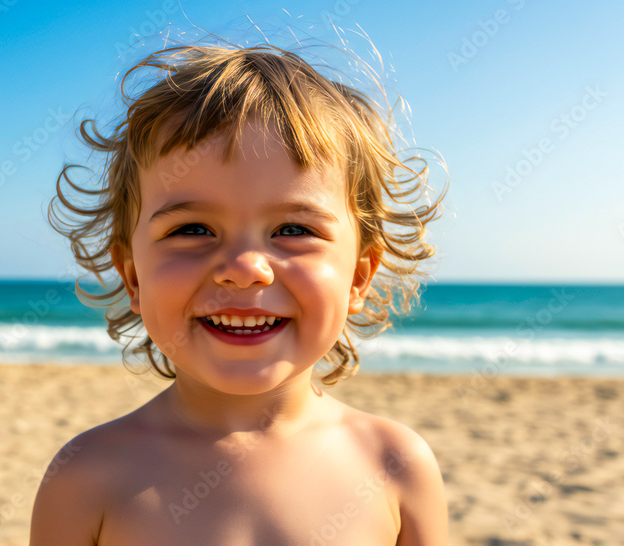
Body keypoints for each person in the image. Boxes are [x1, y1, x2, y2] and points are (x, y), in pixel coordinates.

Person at [32, 42, 449, 545]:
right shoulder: (87, 478)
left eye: (293, 229)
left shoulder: (395, 467)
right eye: (193, 229)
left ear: (359, 277)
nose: (245, 270)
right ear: (133, 277)